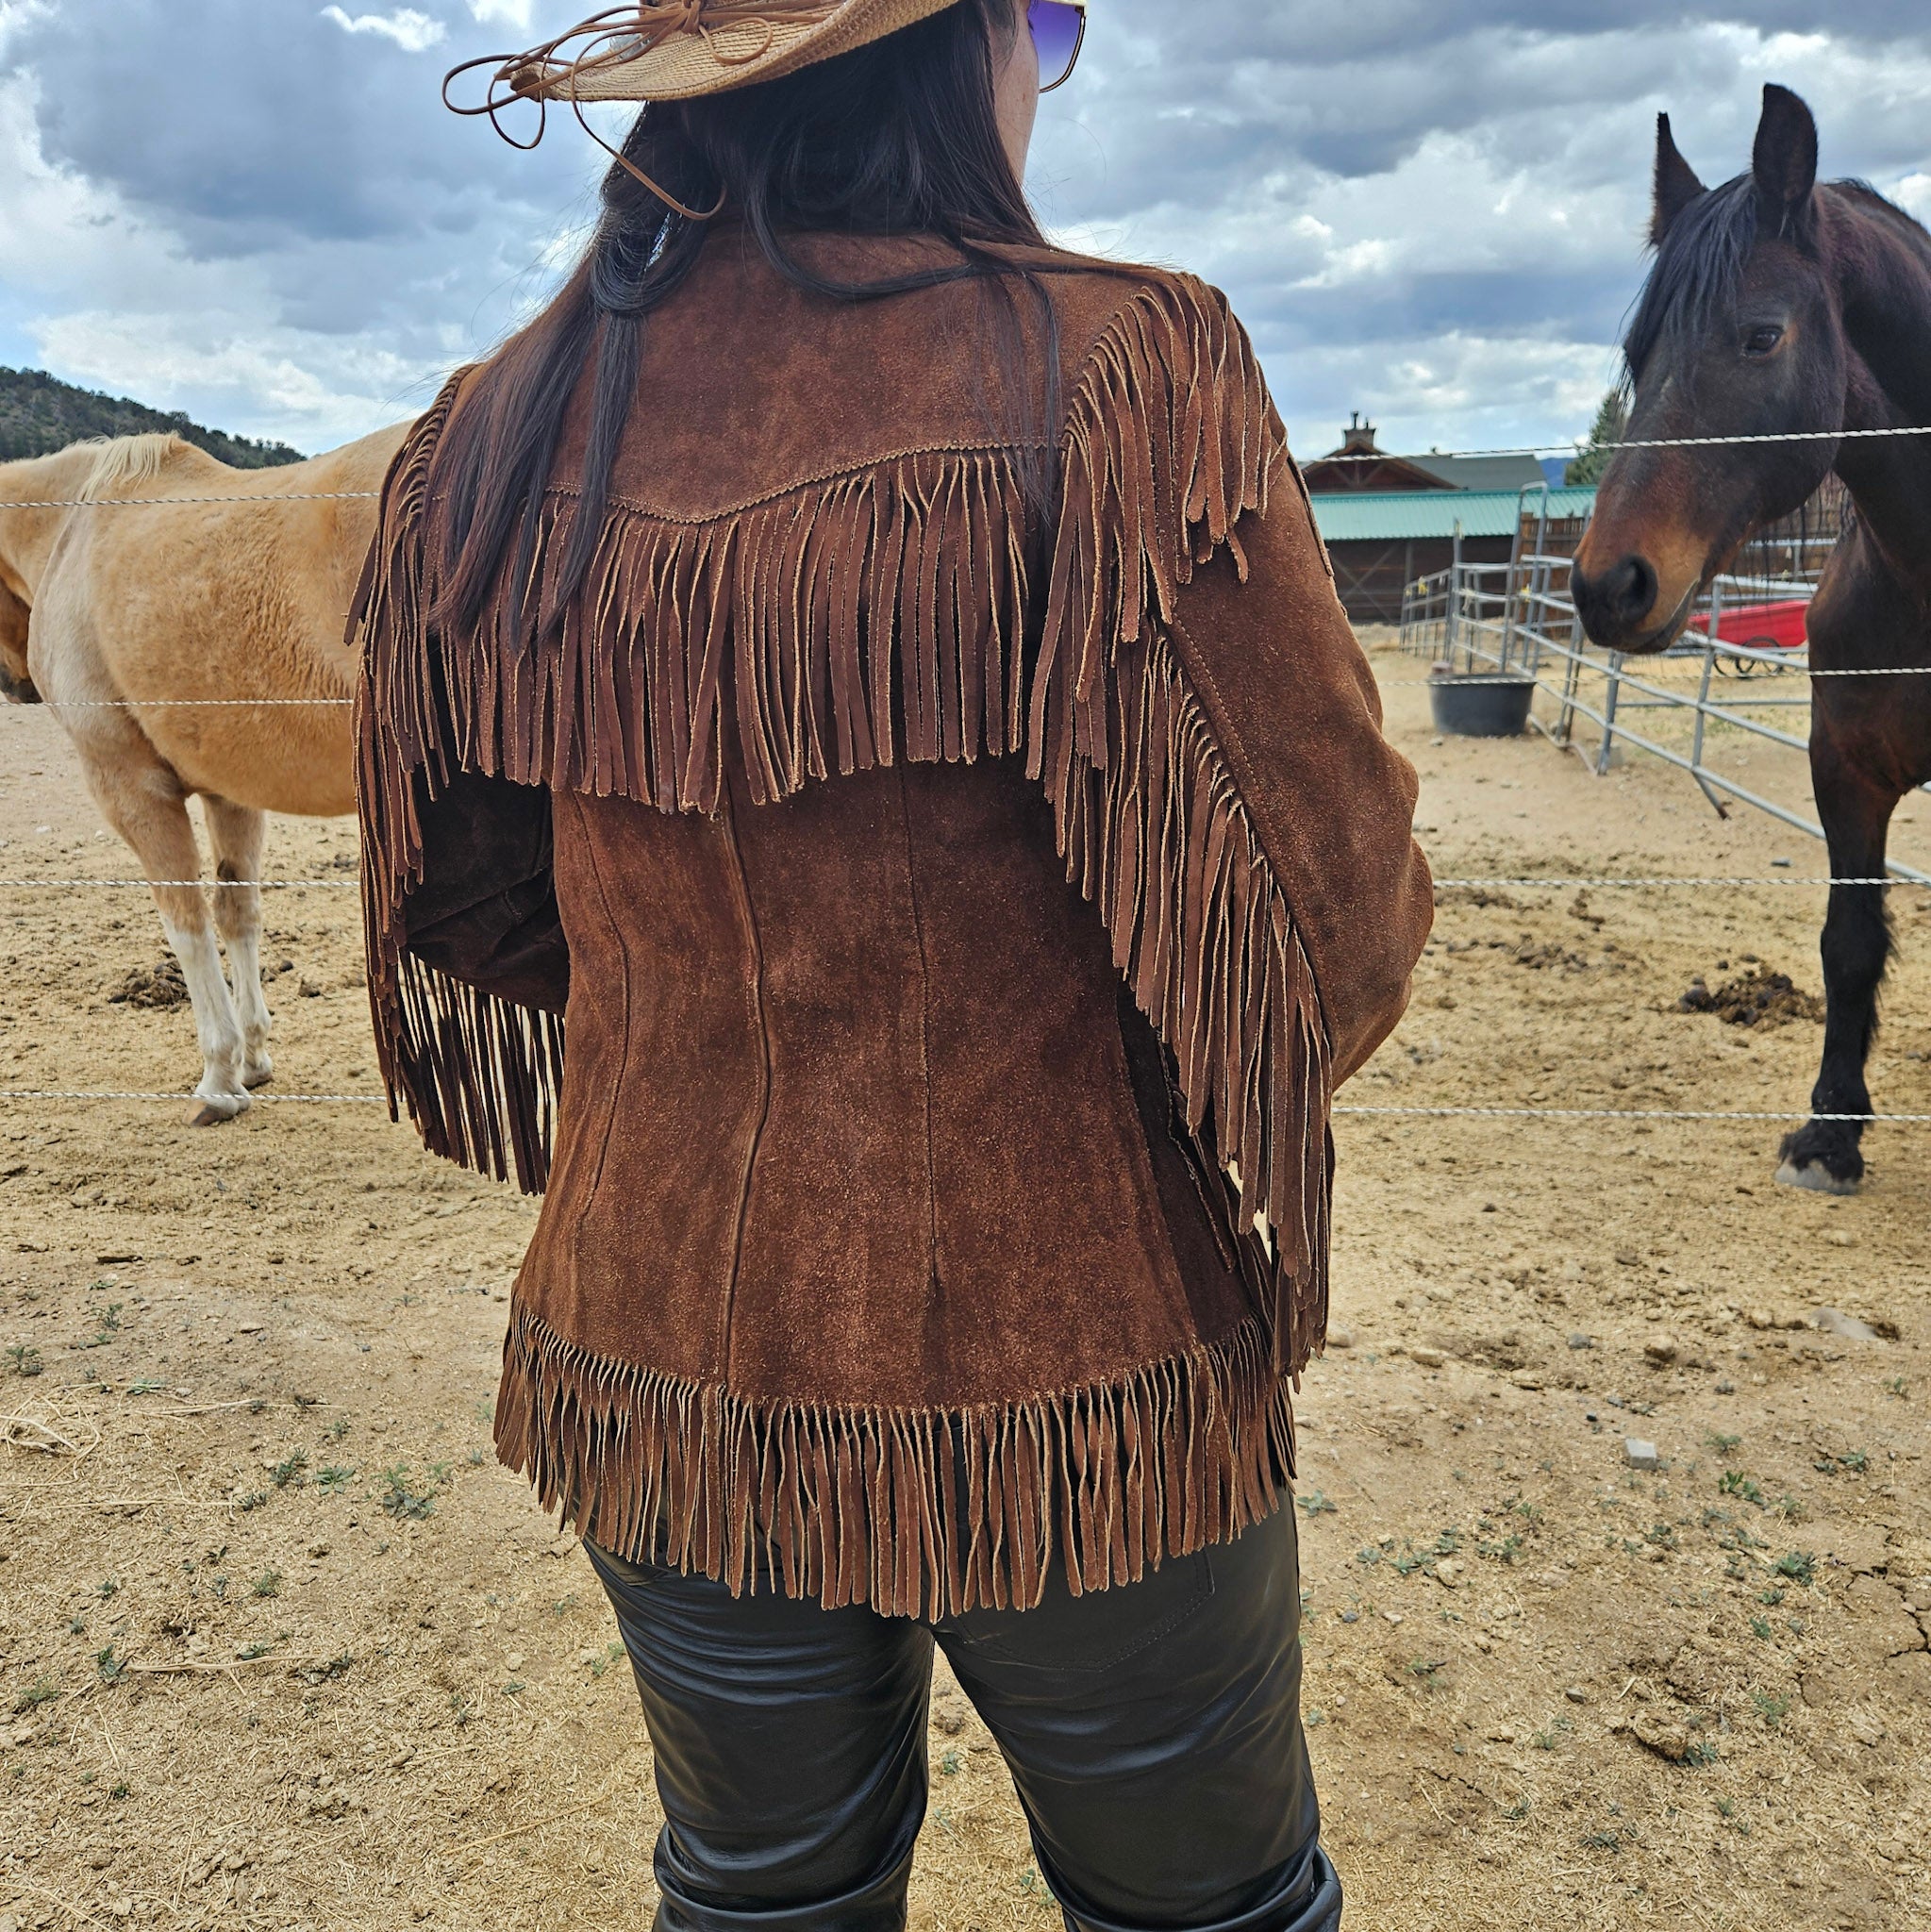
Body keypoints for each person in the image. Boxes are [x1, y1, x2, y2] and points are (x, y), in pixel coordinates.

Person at [354, 4, 1433, 1927]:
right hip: (1080, 1379)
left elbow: (471, 896)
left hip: (656, 1356)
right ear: (964, 53)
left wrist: (696, 1038)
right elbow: (1330, 919)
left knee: (758, 1899)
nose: (1047, 59)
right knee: (1212, 1914)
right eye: (1047, 20)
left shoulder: (497, 424)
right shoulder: (1120, 366)